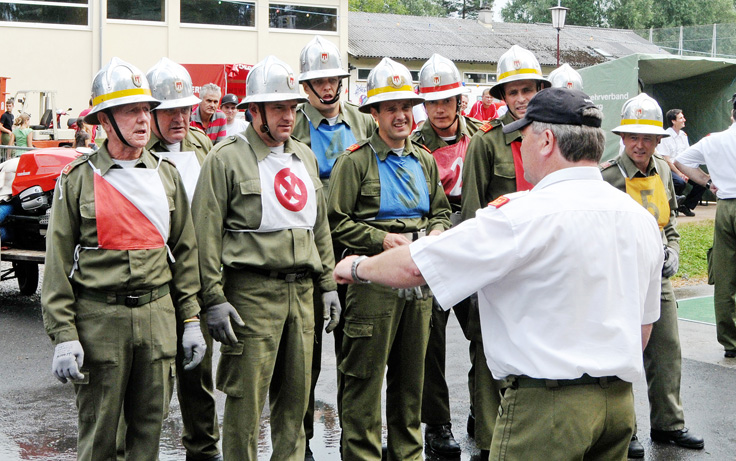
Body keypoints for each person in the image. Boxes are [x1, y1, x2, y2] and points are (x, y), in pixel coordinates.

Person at [333, 87, 664, 461]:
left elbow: (415, 266)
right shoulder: (639, 218)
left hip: (547, 410)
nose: (519, 148)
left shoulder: (520, 216)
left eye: (523, 137)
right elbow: (643, 326)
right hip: (617, 407)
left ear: (547, 141)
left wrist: (357, 267)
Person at [40, 57, 206, 461]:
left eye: (146, 109)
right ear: (105, 120)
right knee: (99, 440)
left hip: (157, 318)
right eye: (131, 110)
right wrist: (64, 335)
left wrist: (190, 321)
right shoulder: (78, 179)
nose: (143, 119)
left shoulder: (166, 175)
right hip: (101, 321)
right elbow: (58, 265)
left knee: (148, 436)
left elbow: (184, 254)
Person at [191, 55, 340, 461]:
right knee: (246, 406)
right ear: (254, 110)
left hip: (302, 295)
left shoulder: (304, 156)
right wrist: (213, 298)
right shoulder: (225, 158)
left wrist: (327, 284)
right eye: (278, 108)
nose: (288, 116)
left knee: (296, 404)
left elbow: (318, 228)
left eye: (292, 107)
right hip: (251, 296)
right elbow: (205, 235)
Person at [326, 57, 452, 461]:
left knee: (411, 381)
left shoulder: (424, 160)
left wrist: (436, 232)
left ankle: (408, 454)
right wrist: (380, 239)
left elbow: (442, 211)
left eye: (406, 107)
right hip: (372, 282)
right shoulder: (354, 161)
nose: (401, 116)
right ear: (374, 114)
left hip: (419, 278)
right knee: (363, 380)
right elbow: (335, 221)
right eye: (391, 108)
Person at [601, 93, 704, 458]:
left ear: (658, 140)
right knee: (623, 353)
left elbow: (669, 221)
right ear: (623, 137)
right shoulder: (607, 176)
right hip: (621, 280)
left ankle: (669, 424)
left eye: (648, 137)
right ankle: (623, 430)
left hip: (657, 277)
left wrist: (673, 249)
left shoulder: (662, 169)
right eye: (634, 137)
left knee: (667, 351)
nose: (640, 144)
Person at [459, 44, 551, 458]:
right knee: (487, 352)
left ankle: (531, 435)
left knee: (536, 351)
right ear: (502, 96)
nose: (521, 99)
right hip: (498, 268)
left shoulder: (550, 138)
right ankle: (488, 442)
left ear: (539, 91)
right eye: (512, 92)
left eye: (527, 90)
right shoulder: (486, 143)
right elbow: (471, 212)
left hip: (542, 264)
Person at [292, 34, 376, 461]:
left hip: (354, 250)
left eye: (333, 80)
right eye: (319, 82)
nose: (327, 89)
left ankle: (352, 443)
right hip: (308, 253)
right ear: (305, 86)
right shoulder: (293, 127)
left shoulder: (364, 123)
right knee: (304, 358)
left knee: (356, 355)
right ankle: (301, 440)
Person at [143, 57, 222, 461]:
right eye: (169, 111)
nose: (179, 119)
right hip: (155, 277)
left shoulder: (201, 144)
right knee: (153, 382)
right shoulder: (139, 151)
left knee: (198, 372)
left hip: (198, 274)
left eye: (184, 110)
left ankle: (203, 448)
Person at [410, 53, 480, 457]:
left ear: (458, 101)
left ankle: (482, 410)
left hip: (473, 244)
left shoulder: (481, 137)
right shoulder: (413, 145)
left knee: (484, 333)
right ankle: (437, 425)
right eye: (432, 101)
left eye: (446, 100)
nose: (439, 109)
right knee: (431, 343)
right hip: (432, 245)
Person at [675, 97, 736, 359]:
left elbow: (681, 160)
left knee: (725, 274)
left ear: (732, 114)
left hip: (725, 206)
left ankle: (730, 341)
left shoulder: (713, 140)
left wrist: (708, 181)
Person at [660, 109, 705, 216]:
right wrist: (680, 173)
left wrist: (692, 171)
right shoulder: (665, 136)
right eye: (681, 118)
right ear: (673, 121)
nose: (684, 120)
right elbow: (667, 160)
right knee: (679, 182)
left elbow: (687, 155)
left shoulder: (683, 135)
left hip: (683, 167)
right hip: (670, 168)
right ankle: (672, 207)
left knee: (702, 183)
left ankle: (685, 205)